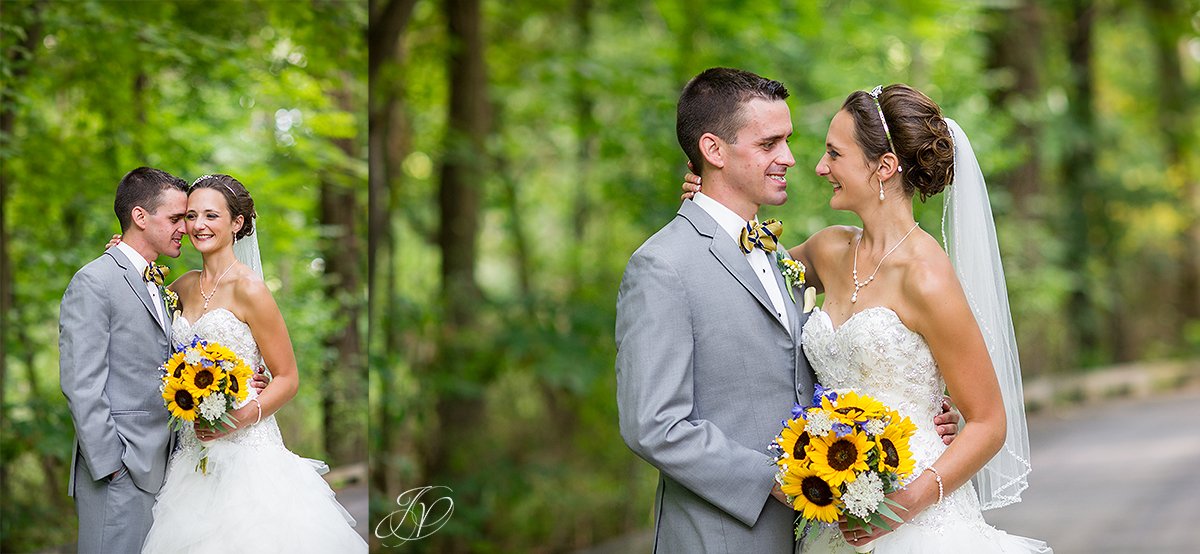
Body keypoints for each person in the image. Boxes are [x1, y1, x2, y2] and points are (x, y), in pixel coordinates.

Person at [683, 84, 1050, 552]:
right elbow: (745, 279)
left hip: (914, 516)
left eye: (834, 154)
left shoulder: (927, 277)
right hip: (830, 511)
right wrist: (710, 202)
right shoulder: (829, 248)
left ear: (884, 167)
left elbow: (989, 422)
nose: (818, 167)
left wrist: (905, 505)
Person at [616, 68, 958, 553]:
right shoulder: (662, 266)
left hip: (816, 534)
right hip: (721, 538)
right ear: (714, 151)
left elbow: (808, 364)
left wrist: (921, 411)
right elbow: (653, 425)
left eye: (789, 140)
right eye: (769, 144)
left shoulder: (778, 256)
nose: (792, 159)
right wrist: (777, 481)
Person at [138, 174, 366, 552]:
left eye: (211, 215)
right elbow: (141, 300)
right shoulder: (180, 286)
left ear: (237, 223)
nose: (198, 225)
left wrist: (240, 415)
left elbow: (288, 377)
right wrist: (123, 251)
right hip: (189, 456)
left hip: (247, 452)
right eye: (191, 216)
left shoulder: (251, 289)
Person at [60, 167, 192, 553]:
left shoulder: (158, 283)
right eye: (175, 218)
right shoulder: (94, 282)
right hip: (119, 471)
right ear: (140, 217)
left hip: (167, 467)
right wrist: (112, 464)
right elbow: (81, 383)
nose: (183, 228)